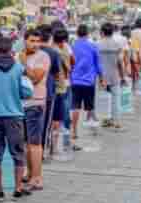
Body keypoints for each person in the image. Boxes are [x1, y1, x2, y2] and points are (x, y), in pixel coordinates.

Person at [0, 37, 33, 201]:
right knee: (18, 153)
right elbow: (28, 92)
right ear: (11, 50)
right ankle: (17, 189)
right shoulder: (19, 69)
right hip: (14, 116)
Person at [19, 29, 50, 190]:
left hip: (35, 103)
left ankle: (37, 178)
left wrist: (23, 63)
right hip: (21, 104)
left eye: (37, 41)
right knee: (25, 143)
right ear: (24, 40)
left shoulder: (42, 57)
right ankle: (29, 173)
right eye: (32, 40)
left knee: (35, 143)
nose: (35, 44)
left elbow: (36, 79)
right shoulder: (20, 55)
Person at [71, 24, 105, 149]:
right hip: (89, 81)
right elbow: (98, 65)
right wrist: (101, 78)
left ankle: (74, 131)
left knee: (75, 107)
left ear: (77, 33)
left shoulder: (73, 47)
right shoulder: (93, 46)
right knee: (90, 106)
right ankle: (93, 129)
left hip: (75, 81)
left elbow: (70, 63)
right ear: (87, 34)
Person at [35, 24, 61, 158]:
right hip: (48, 92)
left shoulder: (30, 51)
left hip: (30, 94)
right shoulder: (53, 53)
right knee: (45, 123)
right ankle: (42, 152)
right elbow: (57, 74)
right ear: (50, 38)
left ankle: (32, 150)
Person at [51, 27, 74, 155]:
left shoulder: (51, 49)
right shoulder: (66, 48)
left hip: (55, 85)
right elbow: (72, 62)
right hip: (63, 84)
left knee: (56, 115)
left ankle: (57, 142)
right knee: (64, 114)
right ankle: (64, 141)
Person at [98, 23, 126, 130]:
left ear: (102, 32)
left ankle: (106, 120)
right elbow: (120, 62)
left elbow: (96, 63)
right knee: (115, 99)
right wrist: (123, 76)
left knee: (104, 99)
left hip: (102, 77)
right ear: (112, 32)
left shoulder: (97, 45)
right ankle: (116, 122)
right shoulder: (117, 45)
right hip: (114, 75)